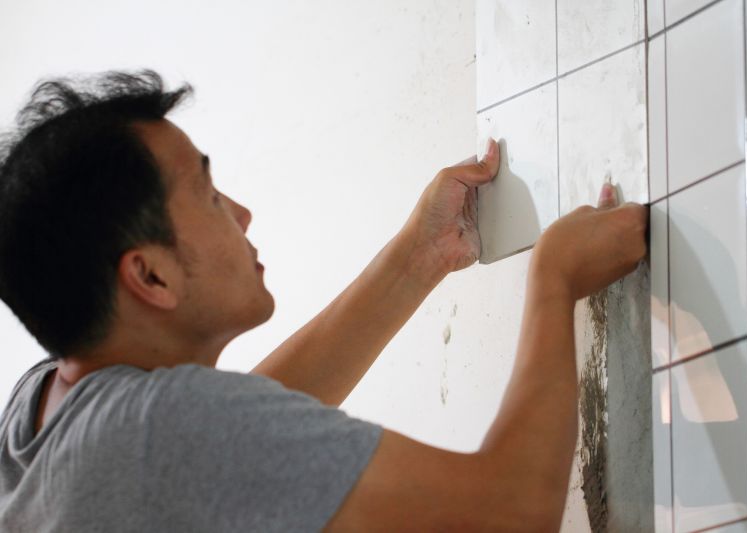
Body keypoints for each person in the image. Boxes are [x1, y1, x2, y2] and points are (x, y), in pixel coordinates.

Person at [0, 70, 647, 532]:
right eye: (209, 195)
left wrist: (419, 257)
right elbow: (512, 511)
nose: (242, 214)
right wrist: (555, 279)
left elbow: (234, 436)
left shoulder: (42, 413)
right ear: (150, 275)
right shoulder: (157, 433)